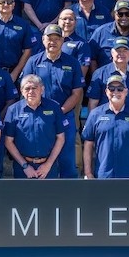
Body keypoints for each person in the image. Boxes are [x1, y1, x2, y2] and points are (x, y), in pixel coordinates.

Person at [20, 24, 84, 178]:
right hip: (39, 116)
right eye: (49, 38)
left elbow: (76, 93)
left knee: (67, 159)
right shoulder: (33, 62)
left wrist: (59, 112)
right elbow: (25, 90)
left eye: (57, 38)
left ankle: (69, 189)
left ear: (63, 41)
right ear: (43, 40)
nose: (53, 42)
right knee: (42, 155)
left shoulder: (73, 63)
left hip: (64, 115)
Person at [82, 74, 129, 179]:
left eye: (120, 89)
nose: (115, 92)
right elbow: (88, 144)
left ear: (126, 92)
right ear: (106, 92)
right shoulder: (95, 114)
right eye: (111, 88)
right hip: (103, 176)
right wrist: (88, 173)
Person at [3, 74, 65, 179]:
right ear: (22, 91)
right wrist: (25, 166)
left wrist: (48, 164)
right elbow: (8, 141)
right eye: (27, 88)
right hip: (22, 167)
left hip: (49, 167)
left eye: (34, 88)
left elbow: (61, 138)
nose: (31, 91)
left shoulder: (54, 107)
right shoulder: (13, 110)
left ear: (42, 89)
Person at [86, 37, 129, 118]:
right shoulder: (100, 73)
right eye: (118, 50)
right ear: (112, 53)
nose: (121, 53)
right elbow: (93, 102)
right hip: (107, 120)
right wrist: (93, 122)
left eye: (125, 50)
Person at [55, 8, 91, 77]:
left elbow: (81, 72)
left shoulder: (81, 44)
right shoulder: (50, 41)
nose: (67, 22)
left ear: (75, 22)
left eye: (71, 19)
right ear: (58, 21)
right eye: (64, 19)